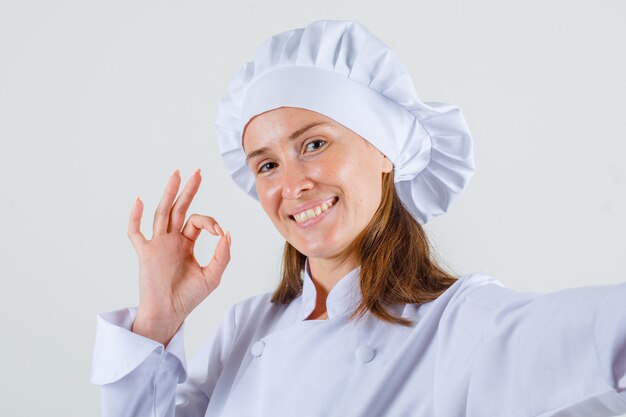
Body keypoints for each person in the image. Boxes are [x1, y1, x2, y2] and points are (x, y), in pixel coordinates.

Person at [90, 19, 626, 417]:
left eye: (315, 143)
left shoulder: (459, 323)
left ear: (386, 150)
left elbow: (604, 337)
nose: (292, 183)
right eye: (268, 164)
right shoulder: (246, 328)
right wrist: (156, 324)